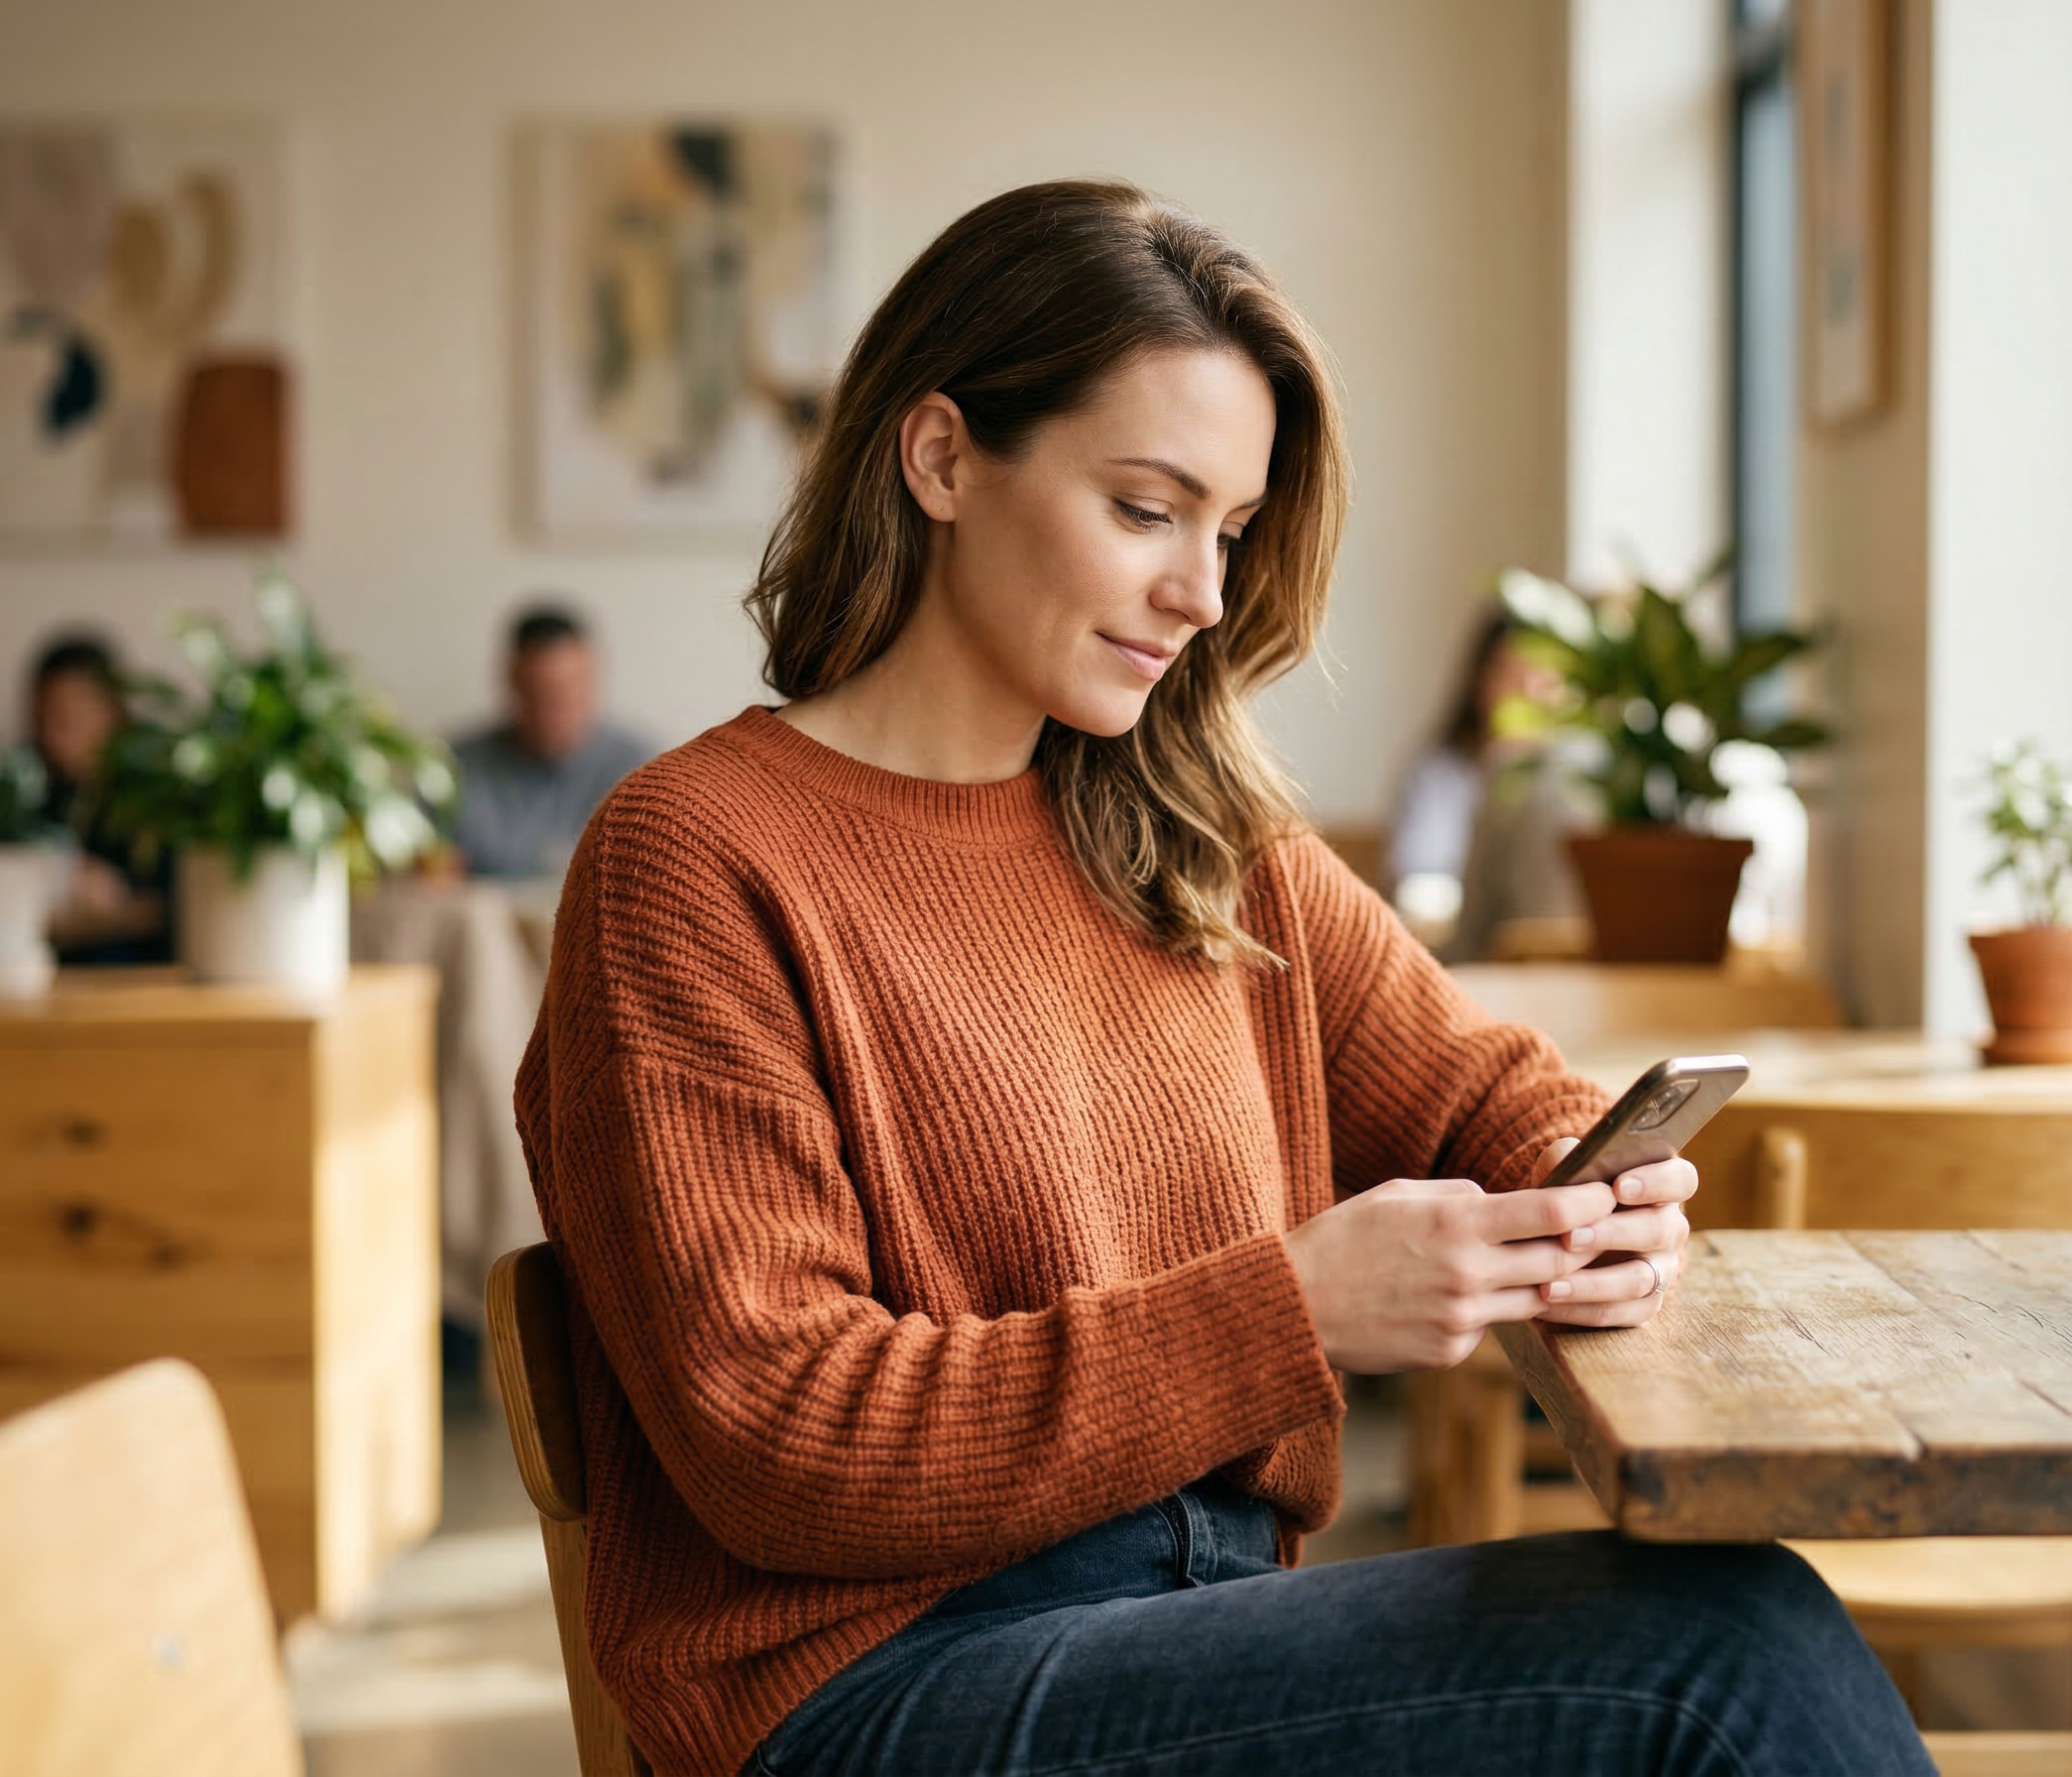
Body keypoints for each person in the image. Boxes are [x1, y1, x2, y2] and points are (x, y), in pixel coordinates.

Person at [517, 179, 1930, 1777]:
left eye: (1232, 531)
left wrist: (1588, 1184)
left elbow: (1481, 1085)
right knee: (1719, 1663)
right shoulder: (692, 859)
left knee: (1734, 1632)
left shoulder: (1195, 834)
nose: (1202, 590)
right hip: (879, 1688)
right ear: (939, 459)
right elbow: (783, 1439)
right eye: (1145, 509)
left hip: (1195, 1624)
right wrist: (1301, 1305)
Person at [1386, 609, 1591, 960]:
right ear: (1479, 680)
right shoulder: (1441, 771)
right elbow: (1417, 876)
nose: (1527, 690)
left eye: (1540, 674)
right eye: (1512, 672)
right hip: (1460, 952)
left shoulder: (1575, 780)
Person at [447, 605, 653, 879]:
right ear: (512, 682)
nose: (554, 713)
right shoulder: (454, 768)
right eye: (538, 695)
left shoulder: (640, 771)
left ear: (593, 680)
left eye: (568, 693)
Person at [26, 632, 170, 963]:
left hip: (131, 972)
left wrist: (117, 894)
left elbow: (173, 903)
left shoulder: (156, 797)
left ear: (111, 710)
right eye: (44, 717)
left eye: (67, 716)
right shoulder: (29, 794)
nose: (53, 733)